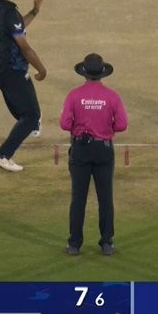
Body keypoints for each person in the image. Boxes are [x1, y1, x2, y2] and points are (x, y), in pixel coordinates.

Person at [59, 53, 127, 256]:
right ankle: (106, 243)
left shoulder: (74, 95)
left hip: (80, 150)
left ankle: (74, 244)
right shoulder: (112, 96)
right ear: (102, 73)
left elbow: (64, 123)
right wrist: (107, 129)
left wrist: (78, 128)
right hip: (103, 150)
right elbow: (122, 124)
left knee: (78, 198)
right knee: (105, 198)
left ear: (84, 73)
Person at [0, 0, 47, 172]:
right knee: (30, 115)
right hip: (9, 69)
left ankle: (32, 124)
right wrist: (42, 69)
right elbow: (25, 49)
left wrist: (34, 11)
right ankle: (1, 155)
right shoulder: (9, 11)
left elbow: (16, 25)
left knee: (28, 110)